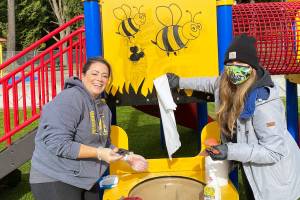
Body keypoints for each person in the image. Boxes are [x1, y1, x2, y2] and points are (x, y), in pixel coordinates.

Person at [167, 34, 300, 200]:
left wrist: (230, 150)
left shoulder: (264, 103)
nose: (234, 69)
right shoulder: (227, 83)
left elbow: (272, 152)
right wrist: (179, 82)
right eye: (229, 64)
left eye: (240, 64)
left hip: (274, 179)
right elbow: (208, 83)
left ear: (252, 67)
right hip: (252, 167)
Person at [30, 57, 147, 200]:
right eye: (95, 73)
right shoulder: (70, 98)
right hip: (55, 177)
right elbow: (57, 143)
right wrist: (98, 153)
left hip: (85, 179)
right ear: (83, 75)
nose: (100, 79)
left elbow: (105, 144)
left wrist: (128, 157)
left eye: (105, 76)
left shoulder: (104, 108)